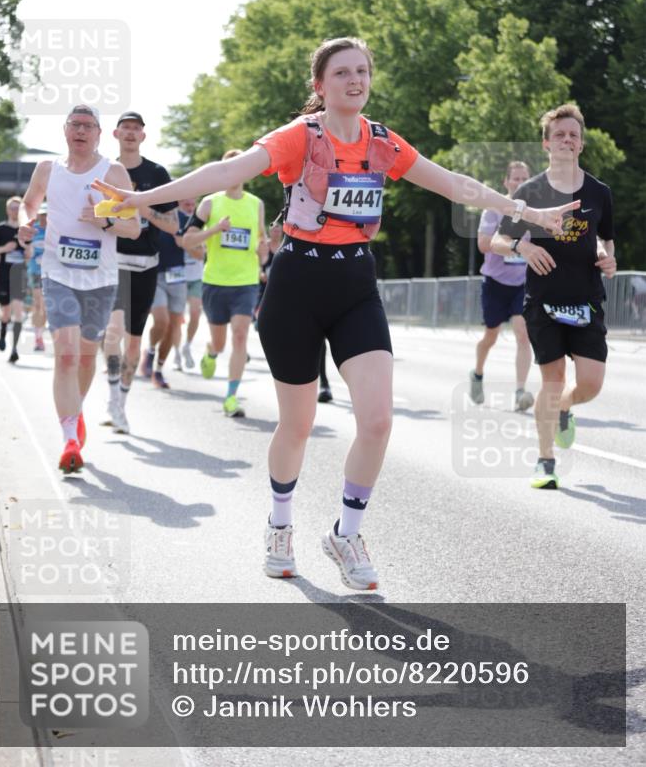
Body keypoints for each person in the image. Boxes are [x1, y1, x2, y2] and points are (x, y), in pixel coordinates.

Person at [93, 37, 577, 589]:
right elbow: (225, 173)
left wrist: (526, 209)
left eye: (363, 71)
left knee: (377, 419)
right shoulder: (301, 137)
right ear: (319, 85)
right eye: (342, 72)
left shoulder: (381, 142)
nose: (355, 80)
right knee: (297, 424)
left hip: (355, 284)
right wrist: (145, 199)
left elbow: (455, 184)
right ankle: (279, 526)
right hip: (296, 284)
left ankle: (345, 534)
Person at [492, 103, 616, 490]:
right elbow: (498, 241)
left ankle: (565, 407)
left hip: (586, 299)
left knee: (591, 384)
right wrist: (524, 249)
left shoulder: (599, 192)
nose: (566, 140)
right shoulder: (530, 192)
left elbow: (606, 238)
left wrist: (608, 258)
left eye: (573, 135)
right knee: (552, 378)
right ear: (547, 144)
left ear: (580, 144)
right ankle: (545, 461)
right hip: (543, 300)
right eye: (559, 134)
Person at [17, 104, 139, 474]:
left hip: (100, 278)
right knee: (66, 354)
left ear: (100, 134)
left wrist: (104, 221)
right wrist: (25, 224)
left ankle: (76, 409)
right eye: (75, 124)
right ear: (65, 131)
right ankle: (70, 437)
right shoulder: (47, 169)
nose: (81, 130)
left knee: (87, 356)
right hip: (57, 272)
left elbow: (133, 228)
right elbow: (29, 204)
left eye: (88, 126)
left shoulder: (113, 172)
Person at [102, 111, 178, 432]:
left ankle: (121, 400)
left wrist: (142, 206)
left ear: (143, 136)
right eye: (126, 129)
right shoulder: (104, 171)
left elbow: (173, 225)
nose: (131, 134)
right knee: (113, 331)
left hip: (145, 264)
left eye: (137, 129)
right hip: (112, 261)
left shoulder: (157, 173)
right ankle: (110, 393)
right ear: (116, 134)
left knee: (134, 342)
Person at [180, 149, 268, 418]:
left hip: (245, 281)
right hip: (215, 281)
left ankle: (231, 397)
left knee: (240, 335)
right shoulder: (209, 203)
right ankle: (211, 352)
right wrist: (215, 230)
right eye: (230, 166)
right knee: (219, 342)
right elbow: (188, 240)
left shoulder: (256, 204)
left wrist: (263, 251)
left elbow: (261, 240)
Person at [469, 161, 534, 411]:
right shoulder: (493, 210)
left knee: (522, 332)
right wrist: (512, 242)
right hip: (495, 282)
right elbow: (483, 244)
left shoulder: (534, 212)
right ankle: (477, 373)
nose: (519, 183)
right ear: (506, 182)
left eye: (524, 178)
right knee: (491, 336)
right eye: (515, 178)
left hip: (522, 283)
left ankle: (520, 391)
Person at [140, 210, 188, 389]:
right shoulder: (151, 213)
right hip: (155, 275)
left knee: (173, 328)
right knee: (162, 321)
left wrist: (187, 243)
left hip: (177, 279)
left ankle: (158, 369)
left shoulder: (184, 219)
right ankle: (151, 350)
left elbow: (198, 251)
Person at [0, 196, 27, 363]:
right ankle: (3, 332)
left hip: (19, 275)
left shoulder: (25, 230)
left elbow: (30, 253)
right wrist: (5, 248)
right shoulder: (0, 229)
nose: (15, 211)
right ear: (7, 210)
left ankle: (15, 349)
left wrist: (27, 249)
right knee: (5, 312)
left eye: (18, 208)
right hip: (4, 275)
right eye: (12, 208)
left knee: (18, 312)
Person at [172, 197, 206, 371]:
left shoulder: (199, 224)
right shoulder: (174, 221)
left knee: (195, 313)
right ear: (179, 204)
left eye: (193, 205)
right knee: (177, 318)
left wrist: (185, 243)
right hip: (177, 276)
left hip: (196, 276)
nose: (190, 208)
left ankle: (187, 345)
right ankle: (176, 352)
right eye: (187, 204)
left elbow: (200, 255)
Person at [26, 204, 48, 351]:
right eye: (42, 214)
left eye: (47, 214)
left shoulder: (56, 230)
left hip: (52, 272)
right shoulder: (33, 231)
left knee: (46, 305)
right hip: (35, 271)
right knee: (38, 302)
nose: (44, 217)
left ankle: (41, 332)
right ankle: (38, 338)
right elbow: (26, 252)